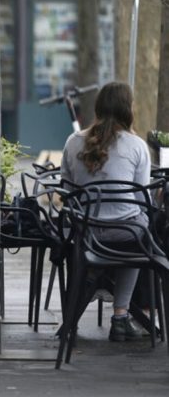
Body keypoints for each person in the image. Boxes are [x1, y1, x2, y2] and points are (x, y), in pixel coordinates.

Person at [60, 81, 149, 342]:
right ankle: (121, 315)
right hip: (126, 235)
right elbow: (140, 195)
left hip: (84, 233)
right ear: (128, 109)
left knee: (137, 227)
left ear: (98, 107)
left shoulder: (74, 142)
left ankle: (89, 286)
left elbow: (67, 191)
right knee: (144, 229)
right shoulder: (137, 146)